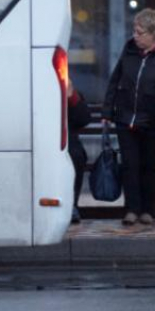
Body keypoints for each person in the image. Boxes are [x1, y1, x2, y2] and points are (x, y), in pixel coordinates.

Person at [102, 8, 155, 226]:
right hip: (125, 118)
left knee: (149, 166)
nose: (135, 35)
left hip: (152, 120)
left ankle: (148, 209)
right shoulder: (129, 49)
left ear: (154, 33)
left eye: (140, 32)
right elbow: (115, 80)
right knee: (129, 165)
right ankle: (132, 209)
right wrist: (107, 112)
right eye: (134, 30)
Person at [67, 79, 92, 224]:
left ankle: (72, 205)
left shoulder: (69, 91)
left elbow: (83, 119)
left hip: (66, 143)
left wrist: (71, 96)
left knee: (76, 155)